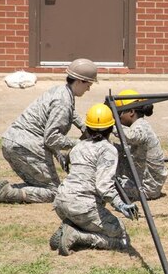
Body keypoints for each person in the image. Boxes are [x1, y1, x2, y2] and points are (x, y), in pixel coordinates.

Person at [0, 59, 97, 207]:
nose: (88, 89)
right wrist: (80, 143)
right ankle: (6, 192)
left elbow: (70, 113)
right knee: (52, 192)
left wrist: (83, 127)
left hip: (12, 142)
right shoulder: (63, 101)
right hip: (27, 146)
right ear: (79, 81)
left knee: (37, 183)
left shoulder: (60, 91)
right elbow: (51, 138)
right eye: (88, 85)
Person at [50, 104, 140, 255]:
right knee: (122, 237)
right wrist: (121, 205)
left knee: (86, 218)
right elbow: (104, 186)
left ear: (88, 128)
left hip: (61, 201)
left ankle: (71, 224)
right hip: (83, 205)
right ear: (111, 128)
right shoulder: (107, 150)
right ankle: (78, 236)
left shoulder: (78, 146)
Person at [113, 89, 168, 202]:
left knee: (106, 186)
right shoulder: (139, 124)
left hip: (146, 188)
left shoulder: (141, 127)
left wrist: (109, 125)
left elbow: (132, 136)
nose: (117, 118)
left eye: (119, 114)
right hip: (144, 181)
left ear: (131, 112)